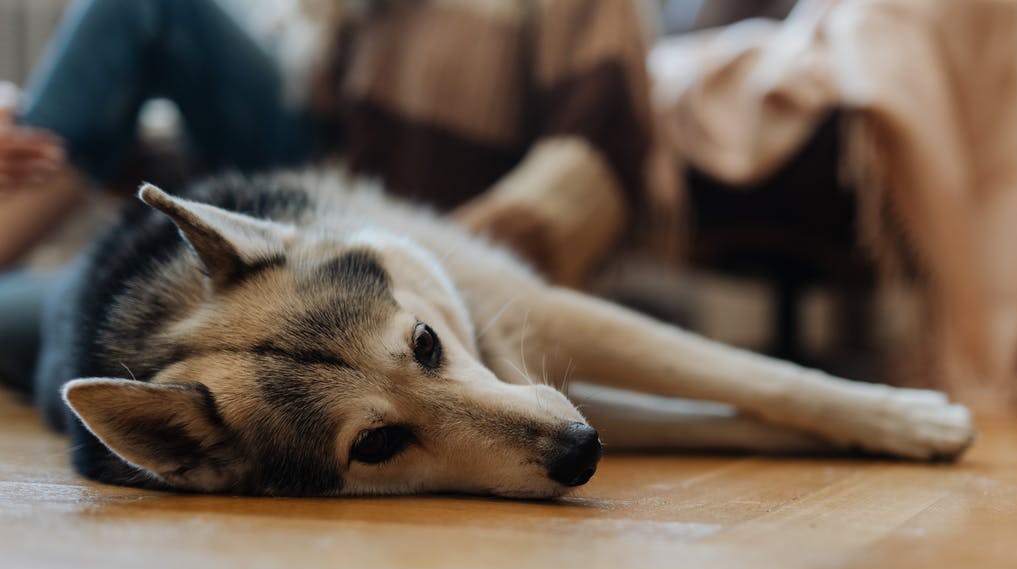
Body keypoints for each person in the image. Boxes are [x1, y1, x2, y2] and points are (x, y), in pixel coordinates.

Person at [0, 0, 656, 392]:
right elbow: (215, 162)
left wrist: (443, 260)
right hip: (298, 214)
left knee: (58, 327)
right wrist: (56, 118)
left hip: (411, 254)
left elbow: (597, 155)